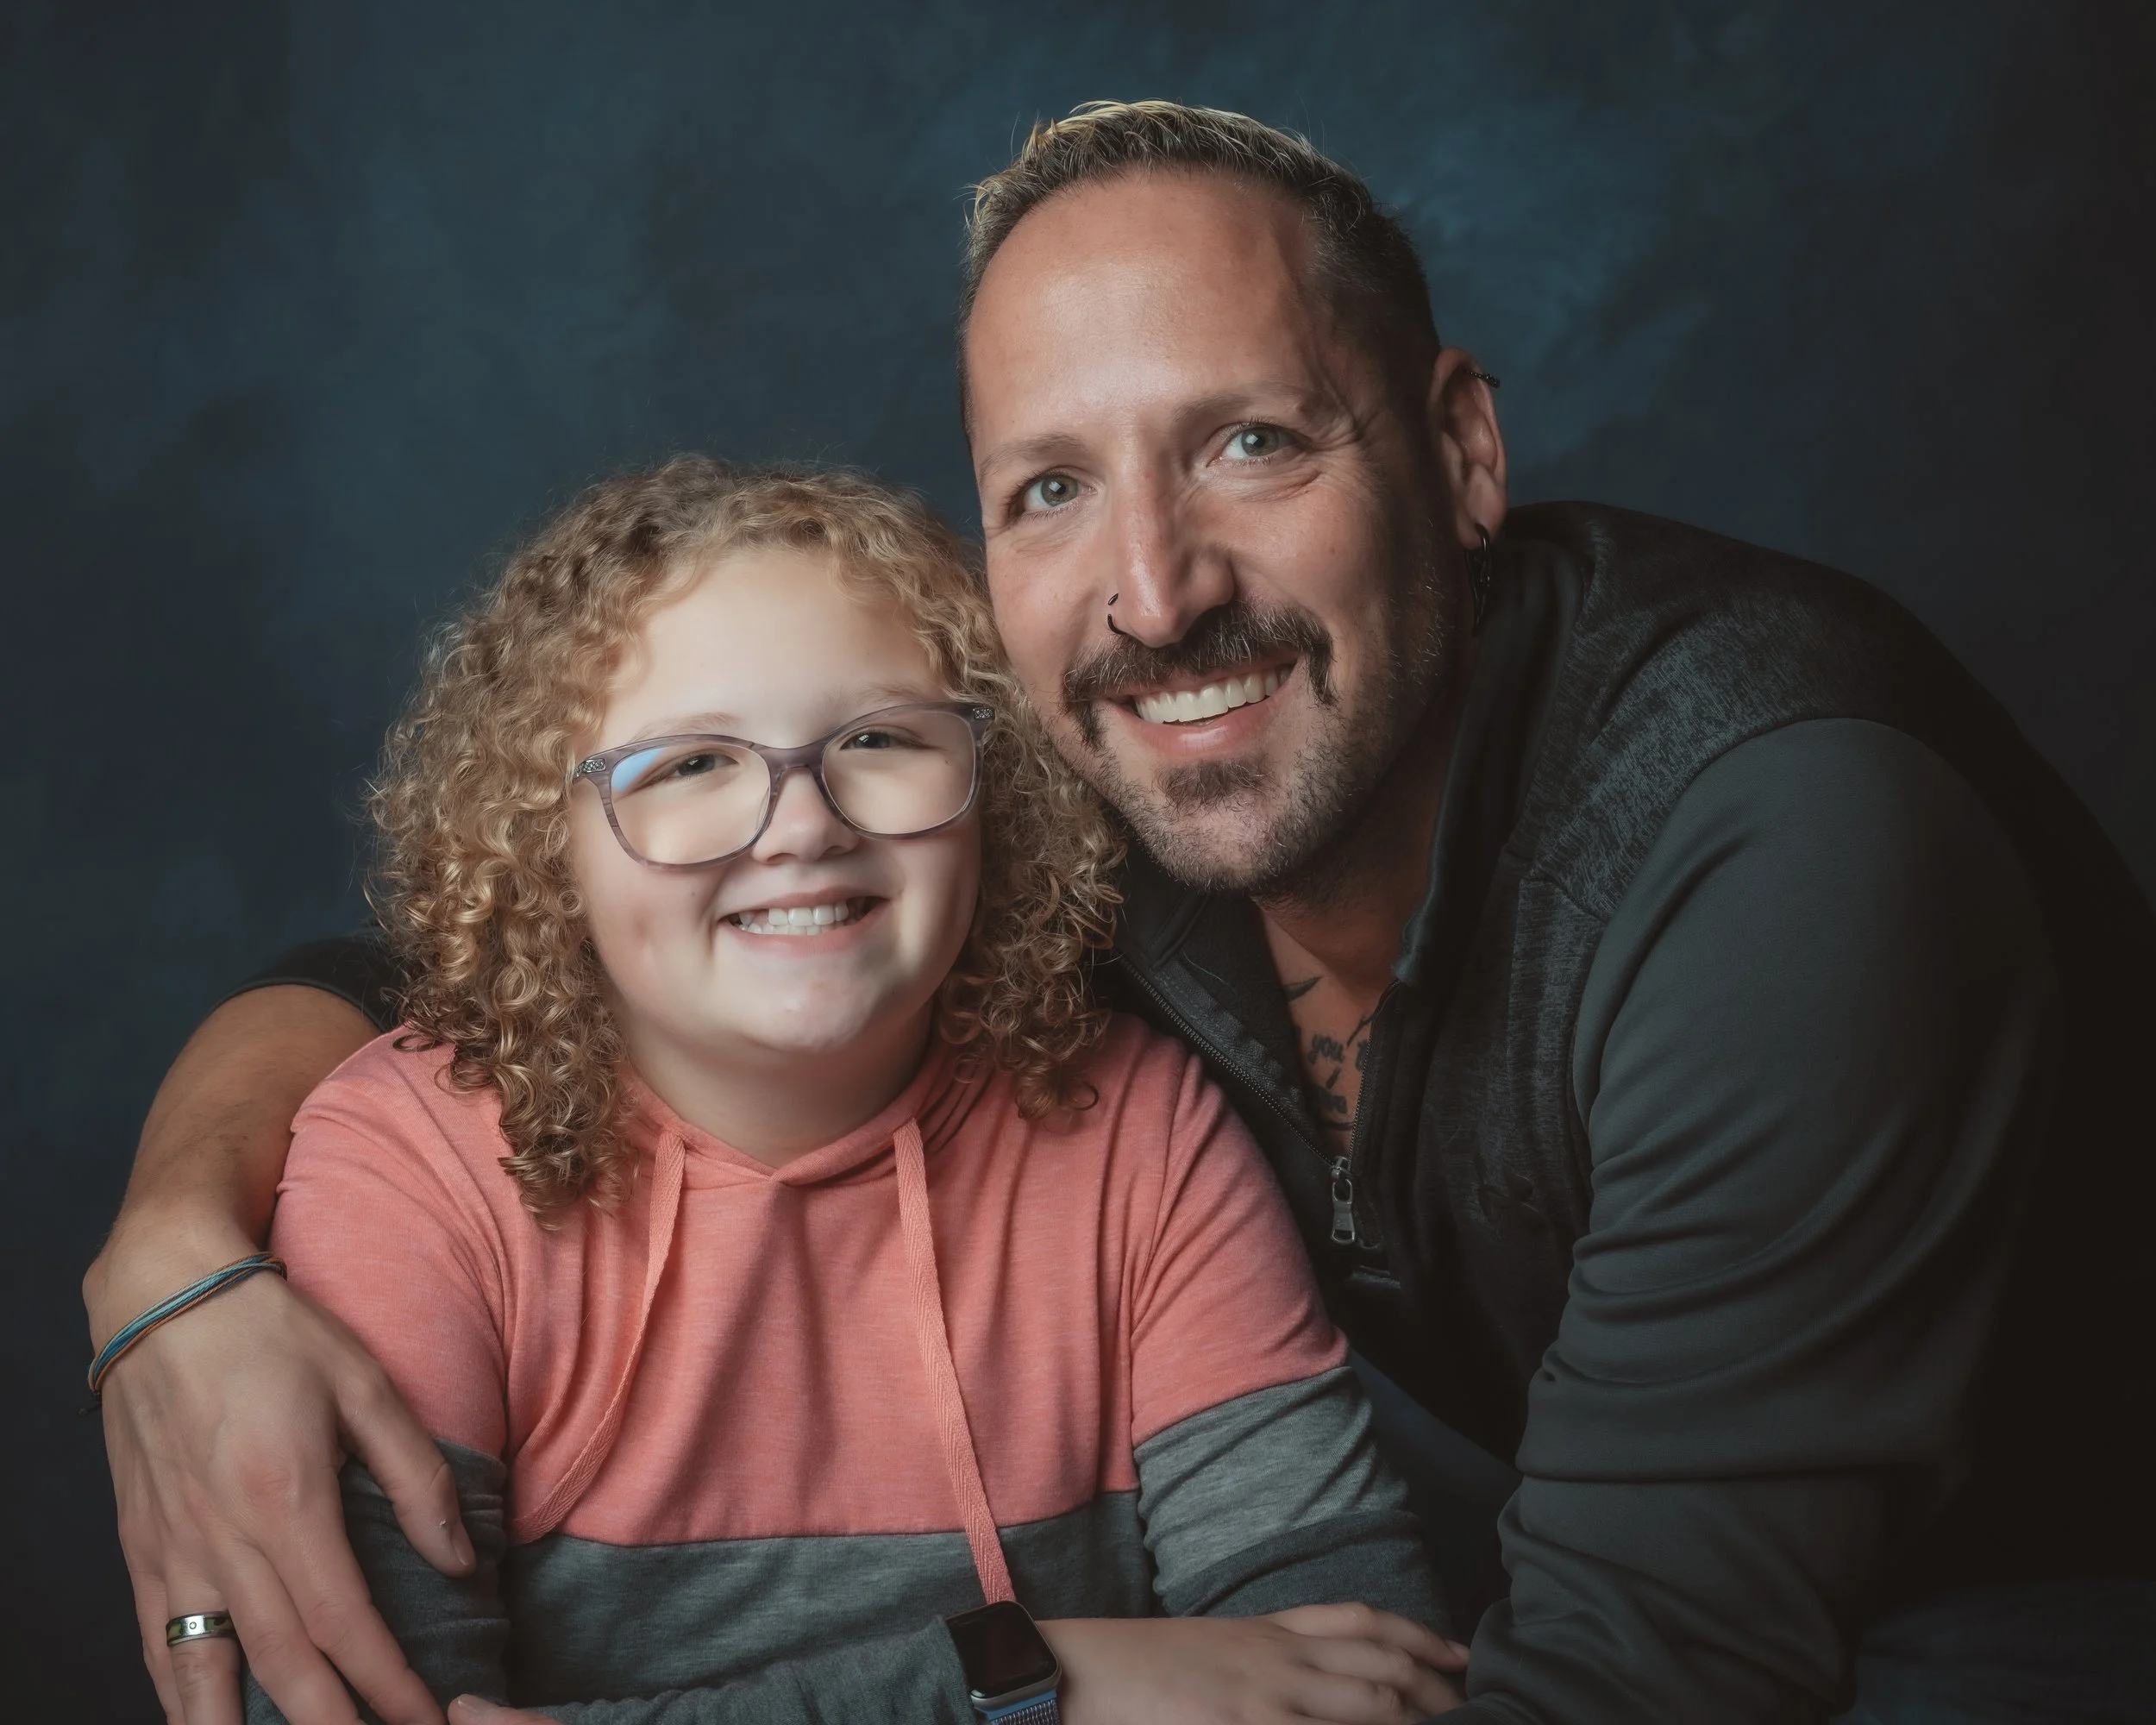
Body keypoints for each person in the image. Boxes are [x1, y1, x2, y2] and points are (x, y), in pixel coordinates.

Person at [88, 102, 2154, 1725]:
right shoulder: (1107, 814)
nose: (1154, 594)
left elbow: (1608, 1677)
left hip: (2012, 1612)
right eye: (1050, 489)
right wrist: (170, 1249)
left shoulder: (1776, 845)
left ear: (1456, 452)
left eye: (1251, 441)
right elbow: (478, 980)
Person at [222, 457, 1458, 1723]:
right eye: (690, 766)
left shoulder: (1139, 1134)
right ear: (552, 854)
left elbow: (1360, 1676)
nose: (801, 825)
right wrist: (1032, 1682)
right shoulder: (410, 1172)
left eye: (878, 739)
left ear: (998, 797)